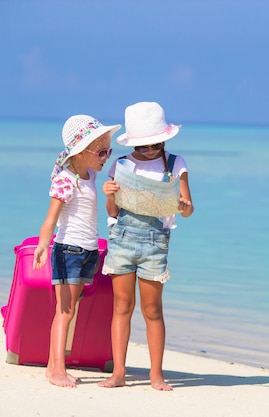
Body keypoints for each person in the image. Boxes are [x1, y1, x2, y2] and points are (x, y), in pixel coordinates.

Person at [98, 102, 194, 390]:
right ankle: (119, 373)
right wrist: (109, 194)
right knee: (122, 307)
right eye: (143, 147)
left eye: (154, 145)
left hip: (155, 242)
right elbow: (113, 213)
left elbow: (188, 210)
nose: (150, 151)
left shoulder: (176, 164)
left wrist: (181, 205)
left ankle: (156, 374)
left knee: (152, 310)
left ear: (164, 139)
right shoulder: (121, 165)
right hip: (122, 240)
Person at [33, 115, 121, 388]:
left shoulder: (90, 174)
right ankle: (57, 369)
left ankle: (52, 366)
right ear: (82, 152)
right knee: (65, 312)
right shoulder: (65, 180)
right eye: (102, 151)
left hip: (87, 250)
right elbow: (51, 219)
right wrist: (42, 246)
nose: (107, 156)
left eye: (110, 150)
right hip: (68, 249)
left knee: (71, 309)